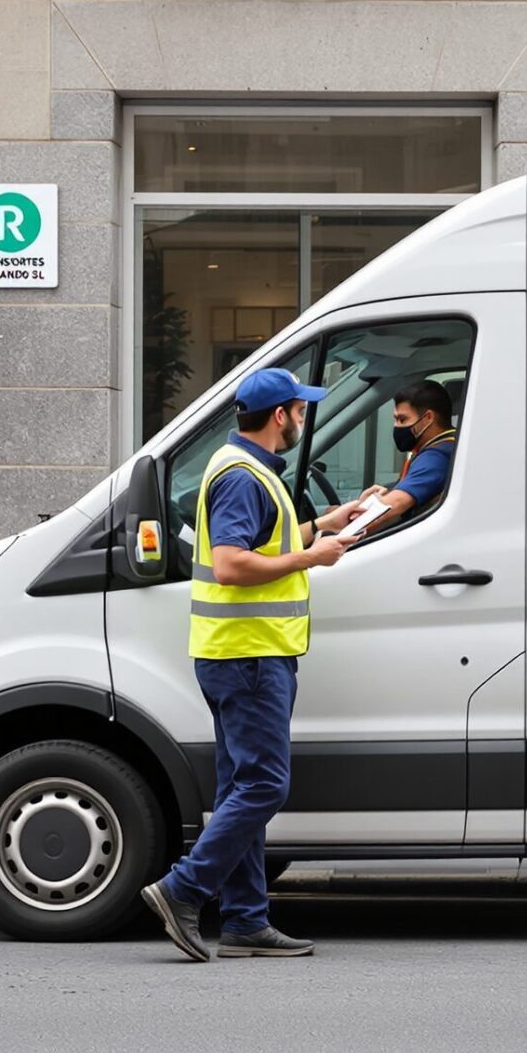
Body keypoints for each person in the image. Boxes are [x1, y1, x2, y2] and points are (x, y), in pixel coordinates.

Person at [140, 366, 366, 961]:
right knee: (265, 785)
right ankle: (181, 890)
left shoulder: (242, 467)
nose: (302, 418)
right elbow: (236, 564)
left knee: (243, 784)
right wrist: (312, 558)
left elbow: (266, 543)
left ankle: (245, 920)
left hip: (236, 654)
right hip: (251, 655)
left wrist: (327, 525)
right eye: (299, 409)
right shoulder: (244, 477)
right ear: (279, 416)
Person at [355, 379, 457, 530]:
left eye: (402, 419)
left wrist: (346, 522)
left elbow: (395, 503)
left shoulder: (436, 457)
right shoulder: (448, 445)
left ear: (428, 418)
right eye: (395, 420)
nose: (397, 426)